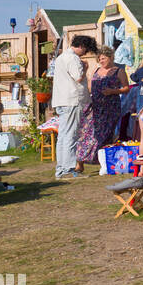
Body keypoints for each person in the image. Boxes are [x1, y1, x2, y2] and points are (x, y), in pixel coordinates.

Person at [76, 46, 130, 169]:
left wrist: (113, 91)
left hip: (110, 108)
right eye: (99, 58)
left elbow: (126, 88)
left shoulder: (119, 71)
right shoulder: (96, 70)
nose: (101, 61)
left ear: (110, 57)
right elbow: (90, 87)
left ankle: (104, 162)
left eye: (103, 58)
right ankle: (80, 162)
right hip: (94, 107)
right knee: (86, 133)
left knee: (104, 135)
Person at [52, 35, 95, 179]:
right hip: (72, 100)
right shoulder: (73, 58)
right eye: (86, 49)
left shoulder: (61, 57)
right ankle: (69, 169)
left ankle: (61, 169)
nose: (85, 53)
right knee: (71, 135)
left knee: (63, 136)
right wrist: (85, 67)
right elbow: (78, 77)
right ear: (81, 46)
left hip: (61, 100)